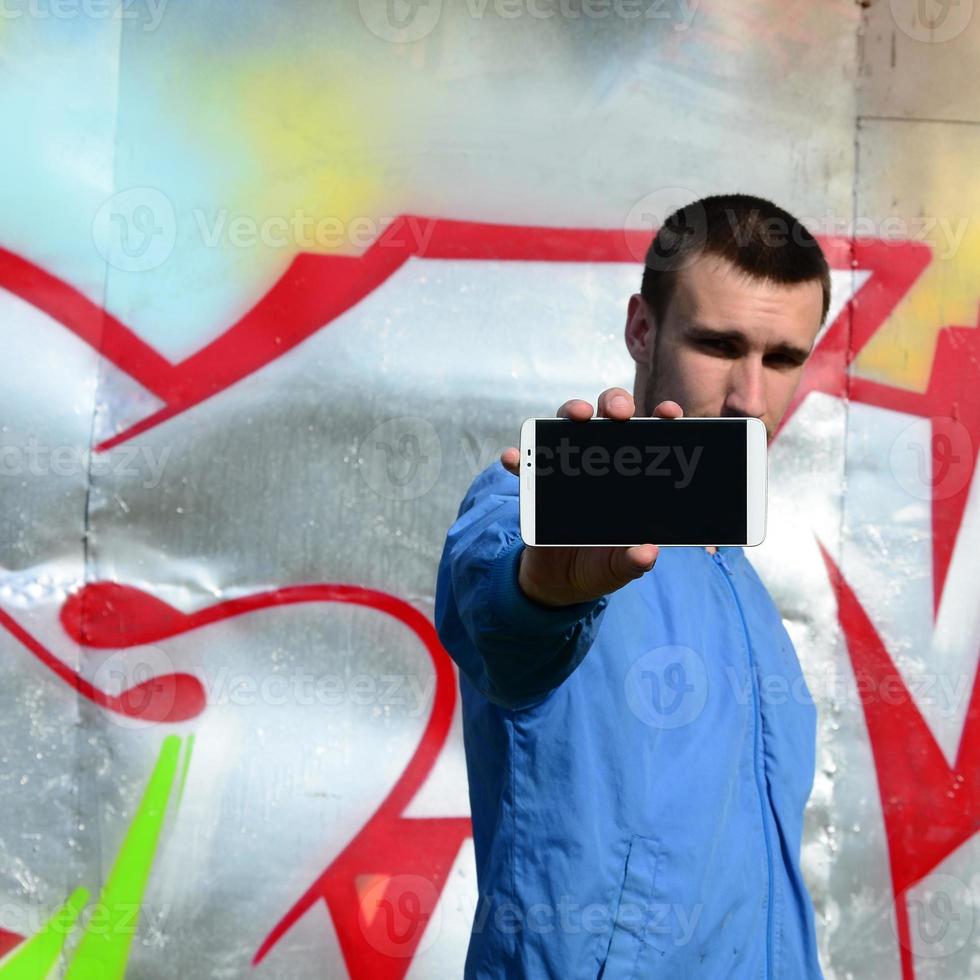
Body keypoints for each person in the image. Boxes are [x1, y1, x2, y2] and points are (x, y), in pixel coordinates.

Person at [434, 193, 829, 979]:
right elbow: (503, 612)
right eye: (721, 345)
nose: (752, 397)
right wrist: (544, 592)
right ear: (641, 329)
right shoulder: (535, 509)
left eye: (783, 358)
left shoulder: (742, 584)